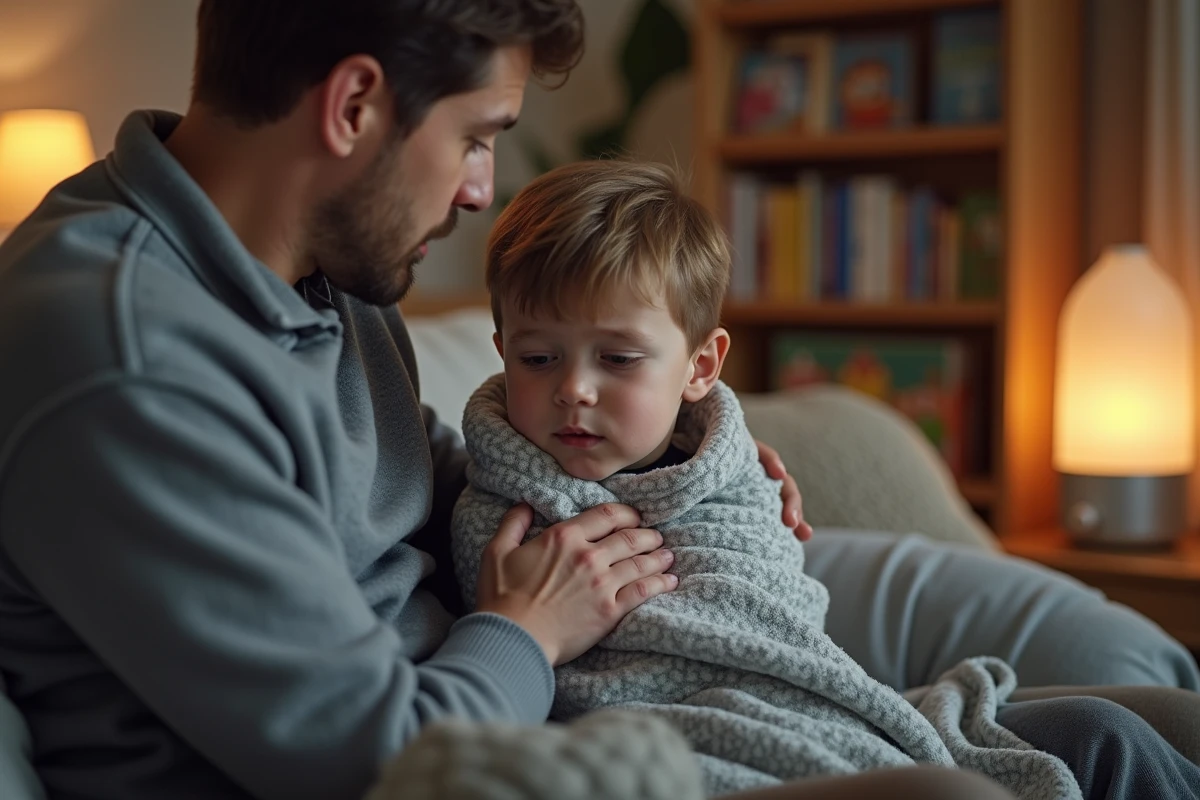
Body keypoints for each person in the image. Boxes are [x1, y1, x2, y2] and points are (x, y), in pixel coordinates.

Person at [0, 2, 1192, 799]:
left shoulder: (320, 270)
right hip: (484, 752)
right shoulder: (125, 353)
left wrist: (683, 468)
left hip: (540, 699)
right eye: (479, 137)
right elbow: (366, 754)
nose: (481, 191)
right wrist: (527, 629)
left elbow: (416, 484)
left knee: (1124, 730)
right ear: (353, 107)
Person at [449, 158, 1200, 800]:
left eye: (616, 359)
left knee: (1110, 732)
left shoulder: (734, 473)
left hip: (823, 705)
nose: (573, 389)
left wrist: (736, 465)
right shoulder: (507, 512)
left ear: (700, 367)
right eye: (538, 358)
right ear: (502, 348)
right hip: (682, 746)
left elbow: (779, 614)